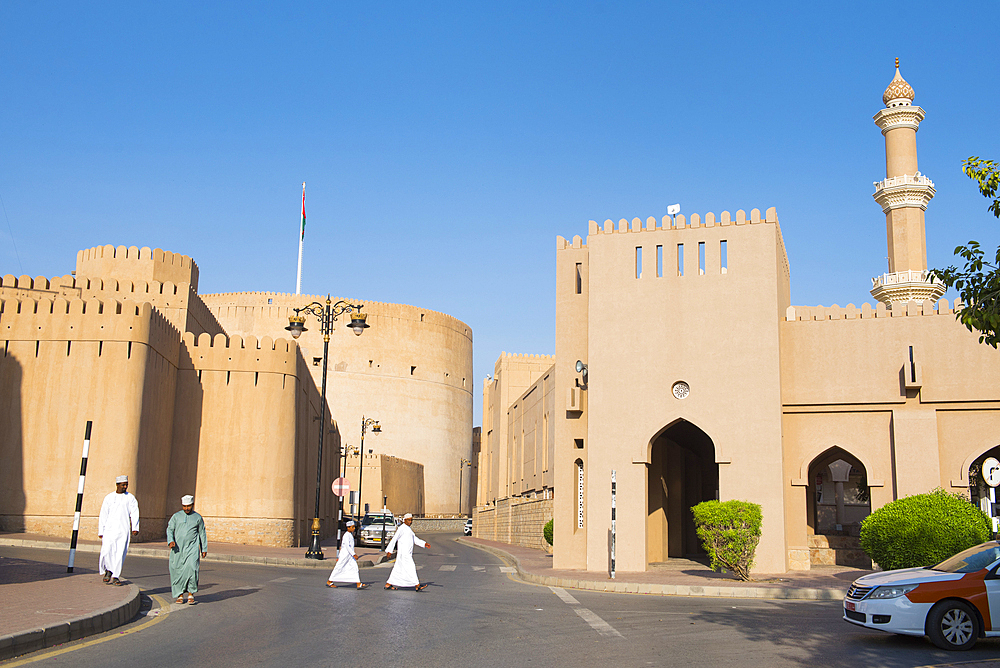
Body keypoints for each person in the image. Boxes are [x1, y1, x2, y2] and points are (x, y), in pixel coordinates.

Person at [98, 475, 140, 586]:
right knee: (106, 551)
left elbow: (134, 512)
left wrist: (135, 527)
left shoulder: (130, 498)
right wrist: (101, 531)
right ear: (117, 485)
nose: (125, 486)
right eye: (123, 485)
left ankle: (115, 576)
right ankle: (108, 570)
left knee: (120, 552)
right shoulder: (109, 498)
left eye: (126, 484)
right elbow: (103, 514)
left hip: (123, 529)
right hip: (109, 529)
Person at [166, 494, 208, 604]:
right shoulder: (176, 516)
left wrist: (204, 548)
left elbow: (202, 533)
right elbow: (170, 529)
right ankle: (179, 595)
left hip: (192, 548)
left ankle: (190, 593)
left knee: (192, 568)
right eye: (184, 506)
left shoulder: (197, 518)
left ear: (192, 505)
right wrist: (170, 540)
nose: (186, 509)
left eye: (188, 506)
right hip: (178, 549)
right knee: (177, 571)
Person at [384, 513, 431, 591]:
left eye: (411, 520)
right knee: (411, 568)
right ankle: (417, 585)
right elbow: (394, 539)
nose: (410, 522)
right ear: (404, 520)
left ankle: (388, 584)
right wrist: (389, 551)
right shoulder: (401, 528)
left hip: (407, 554)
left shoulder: (408, 529)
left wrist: (424, 543)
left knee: (397, 570)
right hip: (404, 554)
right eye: (409, 520)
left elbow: (414, 539)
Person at [326, 520, 367, 589]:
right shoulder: (346, 535)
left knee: (354, 568)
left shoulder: (350, 535)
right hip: (345, 555)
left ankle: (358, 583)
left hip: (349, 555)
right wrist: (354, 554)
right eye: (352, 527)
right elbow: (348, 546)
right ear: (348, 528)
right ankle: (330, 581)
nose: (354, 528)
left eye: (354, 527)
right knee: (339, 567)